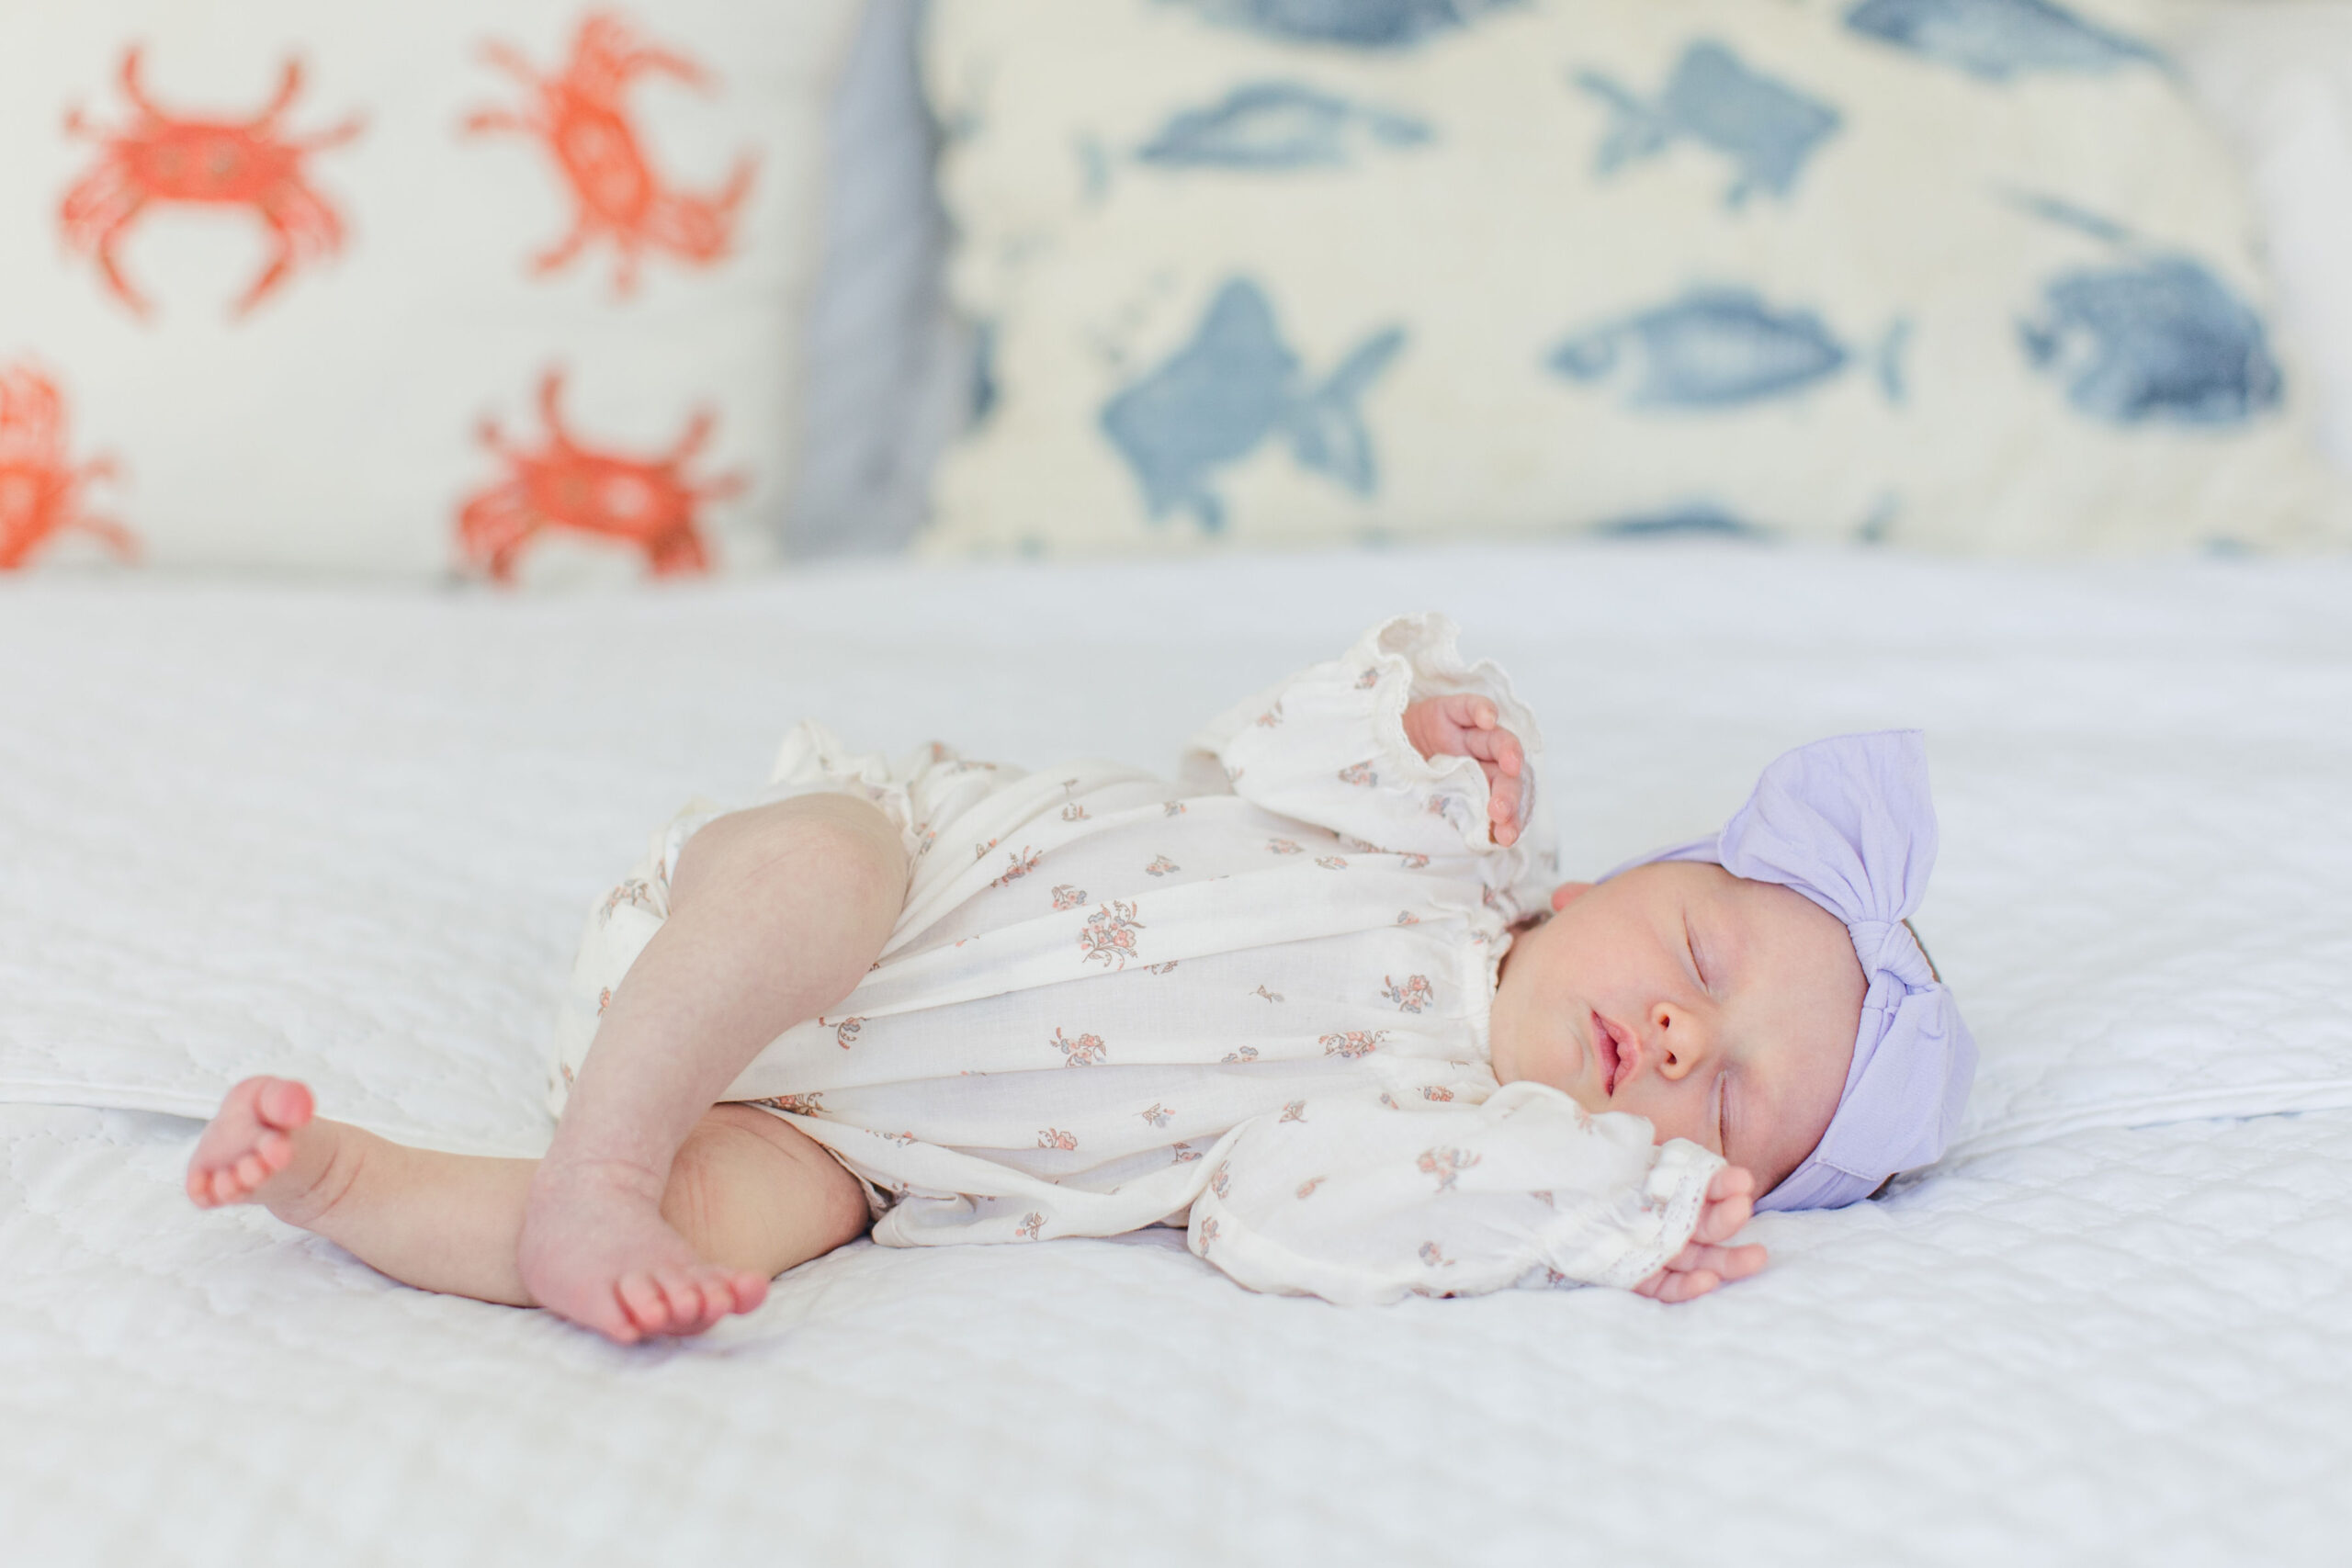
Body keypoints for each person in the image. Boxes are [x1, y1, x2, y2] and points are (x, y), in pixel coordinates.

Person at [184, 614, 1974, 1342]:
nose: (1676, 1029)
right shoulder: (1449, 838)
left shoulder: (1439, 1128)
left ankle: (369, 1188)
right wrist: (1407, 713)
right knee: (817, 868)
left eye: (1721, 1087)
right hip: (863, 896)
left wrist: (1593, 1191)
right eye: (1699, 955)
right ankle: (598, 1158)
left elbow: (1280, 1213)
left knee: (734, 1218)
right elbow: (1260, 742)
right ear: (1599, 879)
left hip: (864, 1142)